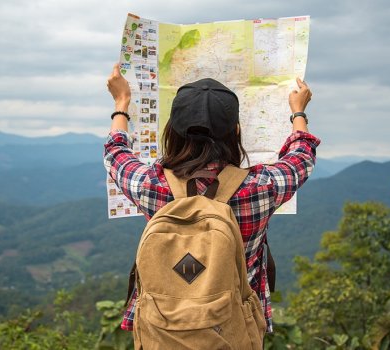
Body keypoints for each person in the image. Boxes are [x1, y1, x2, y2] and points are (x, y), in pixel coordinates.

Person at [104, 63, 320, 334]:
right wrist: (298, 112)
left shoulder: (152, 185)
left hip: (167, 332)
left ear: (171, 131)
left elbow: (116, 153)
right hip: (234, 330)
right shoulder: (259, 188)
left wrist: (121, 103)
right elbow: (302, 156)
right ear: (236, 132)